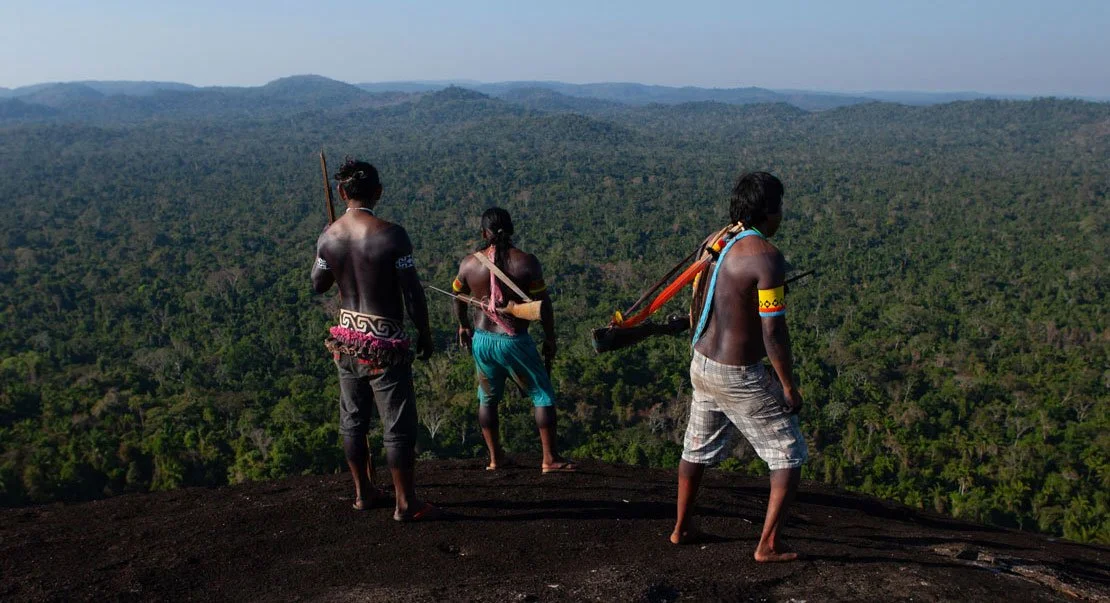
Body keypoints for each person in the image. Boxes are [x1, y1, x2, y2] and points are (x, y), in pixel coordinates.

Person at [671, 171, 807, 562]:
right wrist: (788, 385)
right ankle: (768, 545)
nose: (782, 215)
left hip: (703, 363)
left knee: (695, 448)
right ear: (768, 211)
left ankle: (682, 528)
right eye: (779, 207)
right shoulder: (766, 258)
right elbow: (773, 331)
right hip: (738, 375)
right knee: (788, 453)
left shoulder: (717, 240)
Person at [311, 157, 439, 521]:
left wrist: (323, 245)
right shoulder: (391, 234)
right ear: (378, 192)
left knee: (353, 420)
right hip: (385, 344)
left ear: (340, 191)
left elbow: (317, 284)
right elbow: (412, 292)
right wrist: (425, 333)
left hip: (346, 340)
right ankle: (405, 503)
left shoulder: (329, 235)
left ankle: (363, 493)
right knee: (396, 426)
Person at [451, 207, 576, 474]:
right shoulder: (527, 262)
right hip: (514, 341)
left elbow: (458, 298)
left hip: (482, 341)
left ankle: (496, 459)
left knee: (487, 398)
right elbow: (545, 306)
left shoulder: (469, 264)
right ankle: (549, 459)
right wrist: (550, 338)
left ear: (484, 233)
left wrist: (463, 326)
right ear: (511, 229)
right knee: (542, 395)